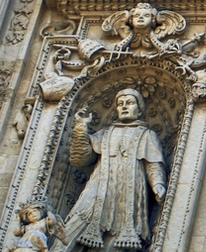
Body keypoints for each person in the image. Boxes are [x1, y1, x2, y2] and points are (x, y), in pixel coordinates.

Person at [62, 89, 167, 251]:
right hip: (98, 189)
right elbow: (81, 159)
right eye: (120, 104)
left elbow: (153, 164)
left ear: (139, 110)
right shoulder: (105, 133)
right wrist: (81, 129)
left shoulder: (147, 135)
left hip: (128, 193)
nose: (124, 107)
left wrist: (157, 184)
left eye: (130, 103)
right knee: (74, 226)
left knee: (115, 241)